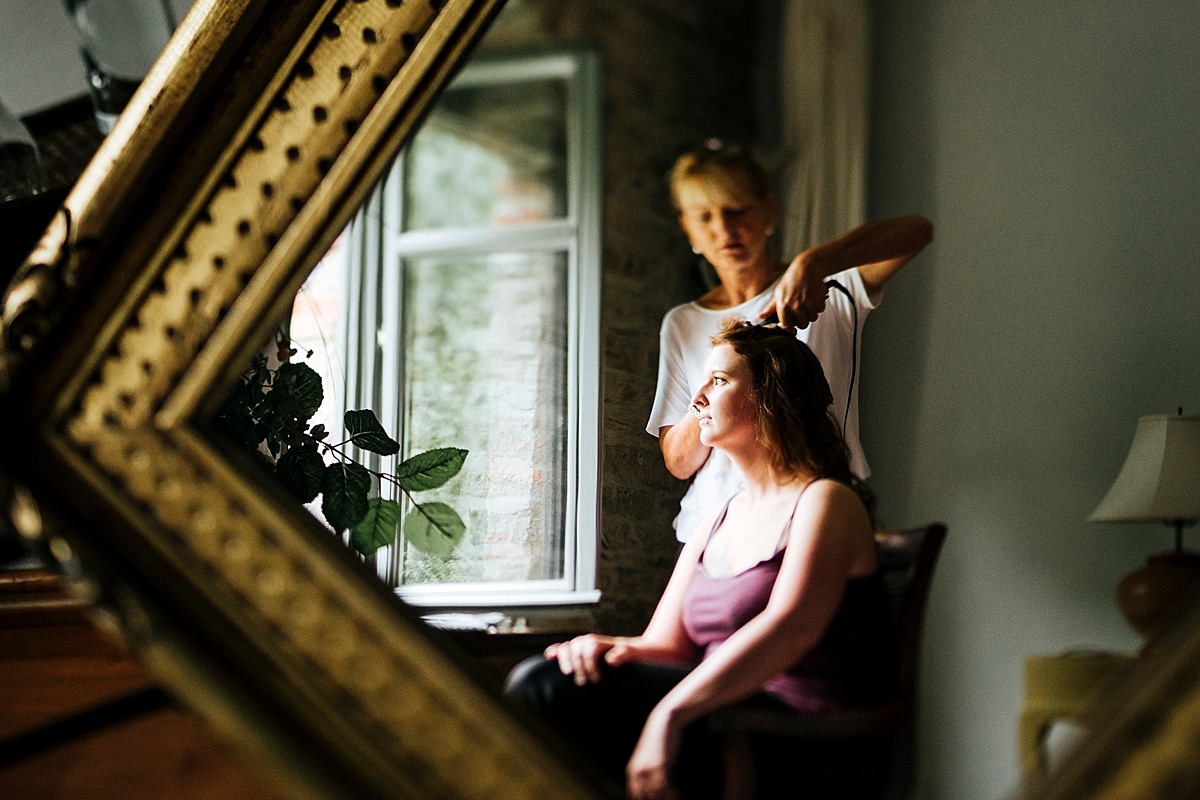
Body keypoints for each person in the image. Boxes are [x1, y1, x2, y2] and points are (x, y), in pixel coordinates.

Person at [506, 320, 895, 800]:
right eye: (701, 381)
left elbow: (789, 631)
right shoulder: (716, 520)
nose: (697, 399)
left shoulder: (825, 502)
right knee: (544, 680)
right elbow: (667, 645)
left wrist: (670, 714)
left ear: (771, 395)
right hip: (717, 711)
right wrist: (601, 646)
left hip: (798, 737)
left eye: (720, 380)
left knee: (545, 695)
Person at [647, 141, 933, 541]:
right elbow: (679, 462)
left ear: (769, 209)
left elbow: (917, 232)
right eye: (705, 216)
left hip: (815, 519)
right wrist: (722, 378)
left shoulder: (828, 288)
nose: (724, 229)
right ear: (687, 229)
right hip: (711, 533)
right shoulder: (683, 323)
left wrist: (814, 263)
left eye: (736, 210)